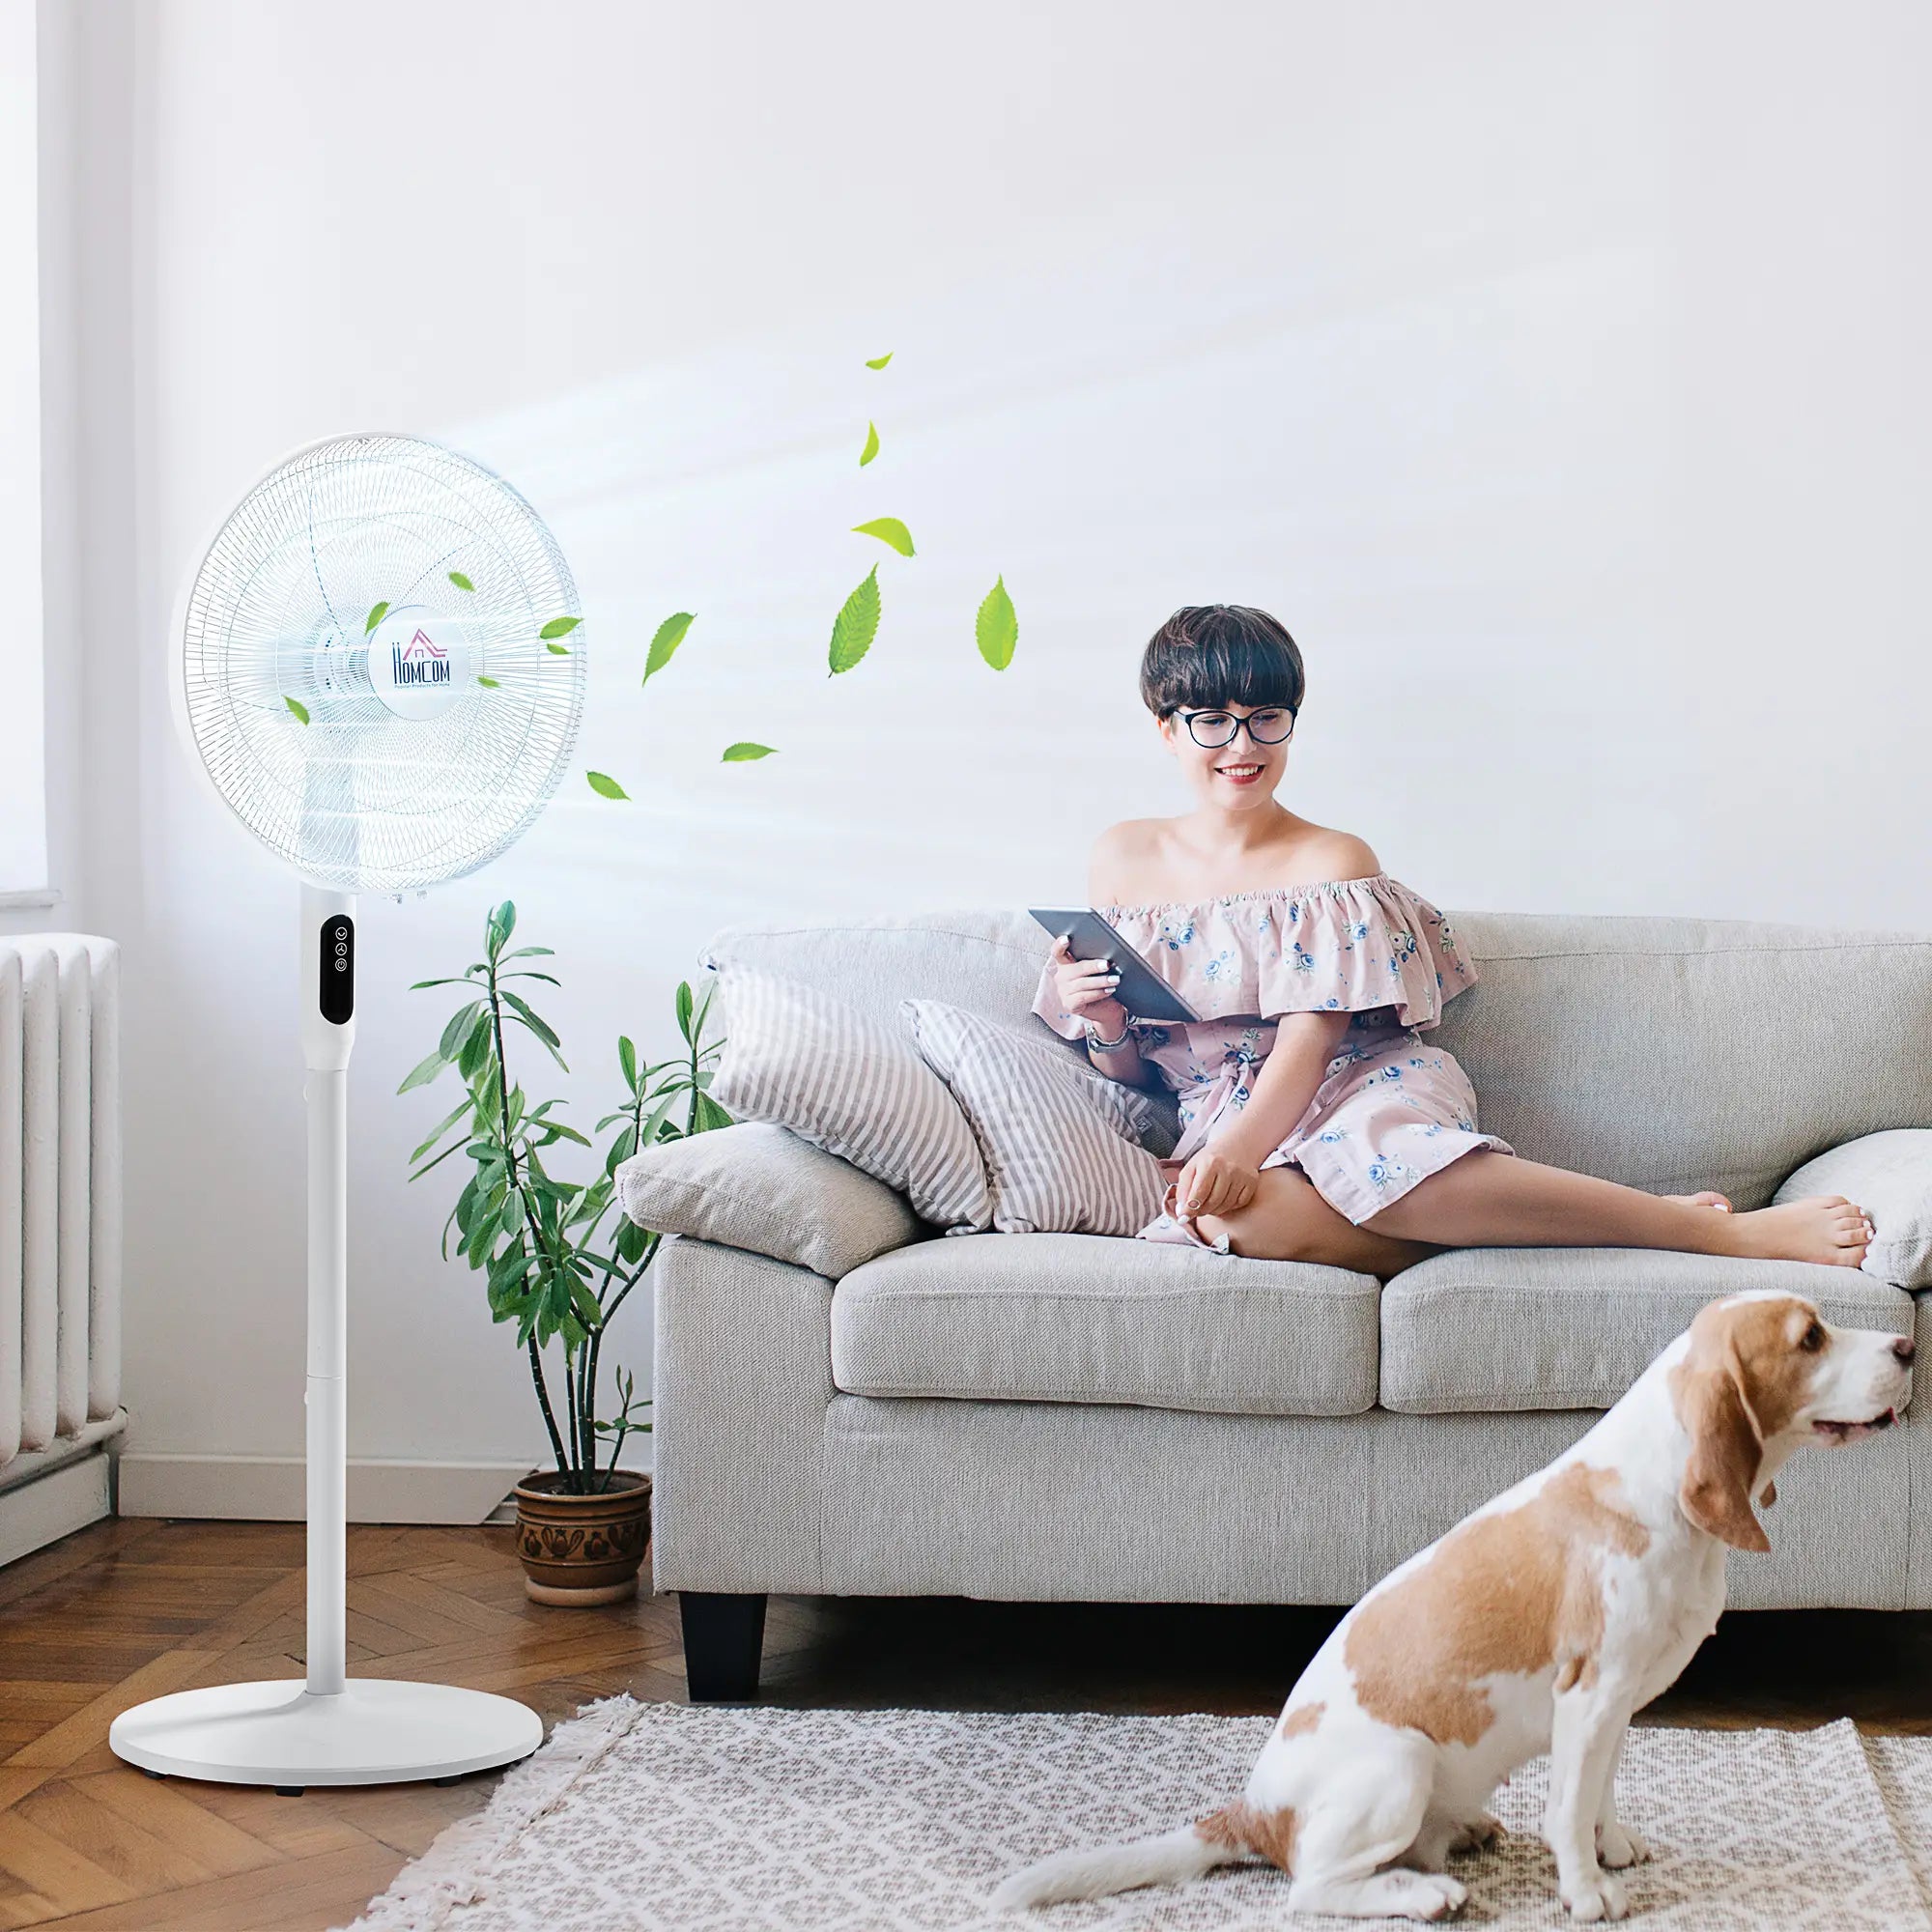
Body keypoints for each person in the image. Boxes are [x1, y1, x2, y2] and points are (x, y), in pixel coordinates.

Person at [1033, 604, 1875, 1279]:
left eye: (1266, 718)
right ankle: (1603, 1232)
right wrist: (1103, 1025)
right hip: (1218, 1113)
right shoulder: (1121, 856)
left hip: (1355, 1087)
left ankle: (1716, 1239)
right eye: (1212, 722)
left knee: (1373, 1157)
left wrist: (1237, 1148)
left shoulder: (1333, 859)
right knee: (1225, 1217)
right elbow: (1137, 1073)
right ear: (1166, 728)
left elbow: (1311, 1036)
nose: (1243, 746)